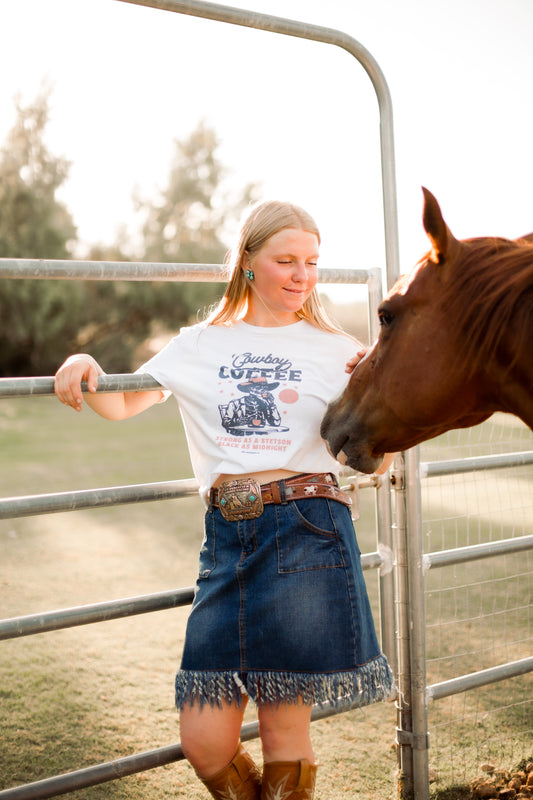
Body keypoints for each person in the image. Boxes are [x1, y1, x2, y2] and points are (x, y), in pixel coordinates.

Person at [54, 200, 395, 800]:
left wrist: (379, 406)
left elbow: (371, 455)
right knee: (205, 741)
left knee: (283, 732)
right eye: (285, 260)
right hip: (227, 542)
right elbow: (122, 403)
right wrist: (87, 367)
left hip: (306, 529)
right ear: (246, 263)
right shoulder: (197, 345)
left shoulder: (337, 349)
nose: (302, 275)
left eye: (312, 262)